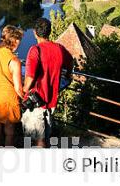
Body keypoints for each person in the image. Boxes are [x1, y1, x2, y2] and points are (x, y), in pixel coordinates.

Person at [22, 17, 73, 147]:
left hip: (36, 101)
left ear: (34, 32)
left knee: (38, 139)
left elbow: (30, 78)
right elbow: (70, 61)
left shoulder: (35, 50)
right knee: (46, 135)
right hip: (51, 101)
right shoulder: (59, 48)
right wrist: (67, 74)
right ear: (49, 31)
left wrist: (23, 92)